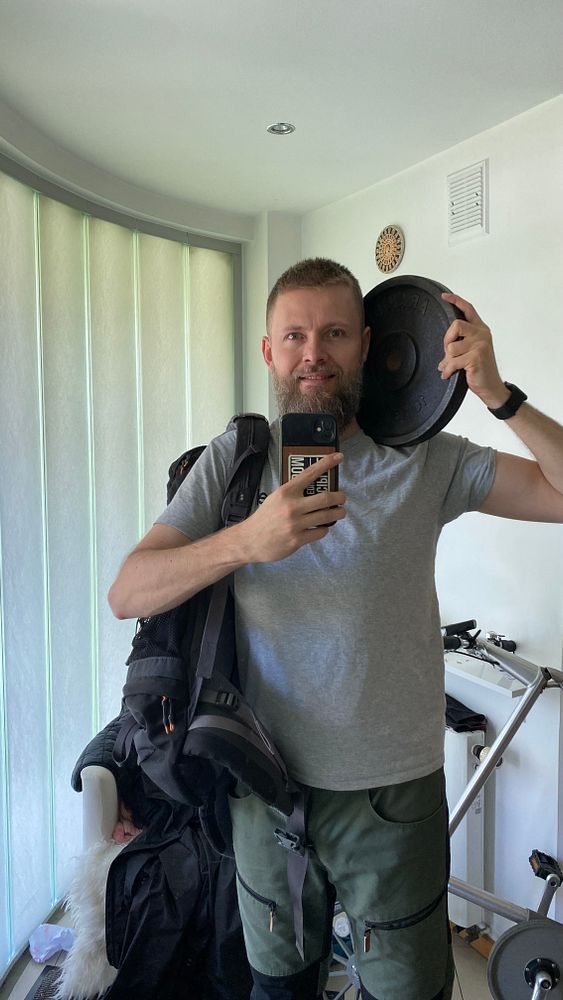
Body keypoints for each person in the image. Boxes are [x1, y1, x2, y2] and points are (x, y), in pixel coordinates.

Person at [109, 258, 563, 1000]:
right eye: (294, 335)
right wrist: (247, 540)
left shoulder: (426, 457)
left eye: (334, 334)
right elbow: (128, 590)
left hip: (392, 797)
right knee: (278, 989)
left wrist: (498, 396)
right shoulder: (238, 459)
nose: (312, 352)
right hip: (263, 787)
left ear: (366, 344)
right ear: (269, 351)